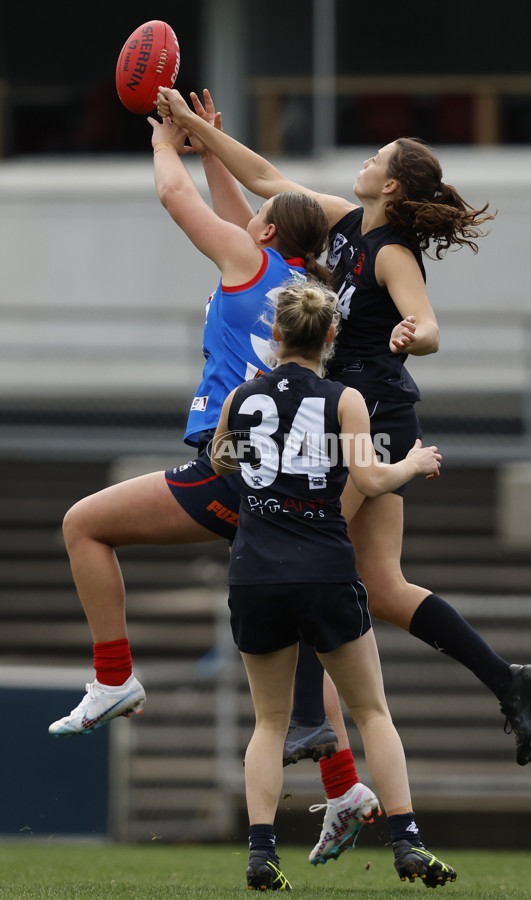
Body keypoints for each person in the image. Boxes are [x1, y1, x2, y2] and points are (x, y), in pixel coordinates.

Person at [156, 87, 531, 861]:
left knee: (316, 547)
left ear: (393, 186)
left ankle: (309, 719)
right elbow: (268, 177)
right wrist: (198, 131)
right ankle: (507, 681)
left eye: (377, 159)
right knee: (381, 583)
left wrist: (416, 335)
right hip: (340, 413)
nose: (365, 161)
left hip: (374, 416)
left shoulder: (392, 252)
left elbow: (428, 323)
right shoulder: (341, 222)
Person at [48, 97, 335, 738]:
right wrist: (210, 148)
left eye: (257, 216)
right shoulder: (304, 289)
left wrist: (163, 144)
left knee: (83, 526)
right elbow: (243, 220)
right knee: (314, 648)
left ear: (264, 234)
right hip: (286, 481)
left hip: (230, 468)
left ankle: (115, 678)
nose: (247, 219)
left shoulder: (251, 262)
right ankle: (345, 785)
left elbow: (178, 201)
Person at [211, 278, 456, 891]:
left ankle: (262, 853)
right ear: (329, 337)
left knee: (270, 723)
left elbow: (221, 456)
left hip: (257, 570)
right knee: (371, 711)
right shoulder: (344, 397)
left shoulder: (241, 395)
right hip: (322, 565)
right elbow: (370, 481)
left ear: (274, 333)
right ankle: (407, 844)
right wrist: (415, 463)